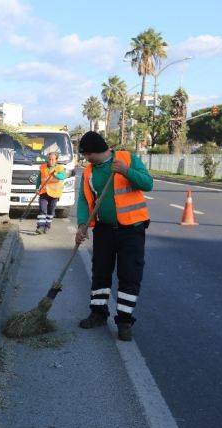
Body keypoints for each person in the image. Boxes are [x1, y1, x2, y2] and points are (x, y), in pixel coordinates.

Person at [75, 131, 153, 342]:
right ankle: (98, 313)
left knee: (130, 275)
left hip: (132, 229)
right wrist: (82, 224)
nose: (86, 159)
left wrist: (126, 171)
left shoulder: (127, 159)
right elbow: (84, 200)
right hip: (104, 229)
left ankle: (125, 321)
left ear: (96, 151)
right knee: (100, 272)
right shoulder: (89, 172)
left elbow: (147, 183)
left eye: (87, 154)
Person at [34, 151, 65, 234]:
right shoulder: (43, 167)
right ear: (47, 159)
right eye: (49, 159)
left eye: (53, 159)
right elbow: (38, 179)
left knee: (51, 211)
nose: (51, 161)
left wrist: (55, 175)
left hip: (55, 193)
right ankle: (40, 226)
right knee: (42, 210)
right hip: (44, 192)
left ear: (56, 160)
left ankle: (47, 226)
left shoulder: (59, 168)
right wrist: (37, 189)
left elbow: (62, 176)